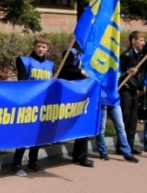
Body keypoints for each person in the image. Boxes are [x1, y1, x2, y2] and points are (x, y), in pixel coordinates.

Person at [10, 36, 55, 176]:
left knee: (38, 134)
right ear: (34, 46)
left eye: (44, 47)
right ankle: (16, 164)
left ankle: (33, 161)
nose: (41, 49)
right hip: (28, 104)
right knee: (24, 134)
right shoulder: (24, 61)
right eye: (38, 46)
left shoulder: (50, 65)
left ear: (47, 48)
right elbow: (22, 82)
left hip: (43, 104)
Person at [57, 43, 95, 168]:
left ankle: (81, 156)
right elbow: (65, 70)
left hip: (84, 93)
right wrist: (80, 72)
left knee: (83, 121)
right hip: (69, 94)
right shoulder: (70, 52)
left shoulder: (90, 52)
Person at [119, 31, 147, 154]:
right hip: (126, 89)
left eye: (144, 40)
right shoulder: (126, 55)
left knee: (133, 118)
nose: (143, 43)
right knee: (126, 117)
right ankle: (121, 146)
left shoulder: (141, 55)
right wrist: (127, 73)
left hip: (135, 89)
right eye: (141, 40)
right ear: (133, 41)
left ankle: (130, 146)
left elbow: (141, 73)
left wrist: (141, 87)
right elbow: (119, 73)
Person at [95, 86, 140, 163]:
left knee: (121, 126)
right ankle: (103, 151)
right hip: (102, 97)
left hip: (114, 98)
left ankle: (127, 153)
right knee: (102, 128)